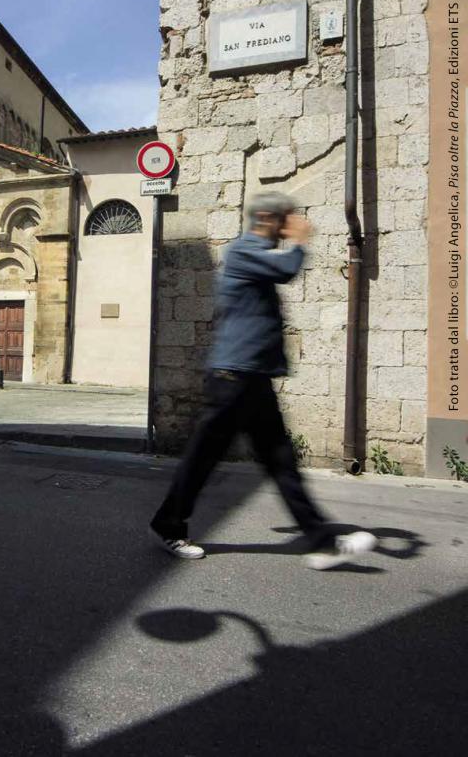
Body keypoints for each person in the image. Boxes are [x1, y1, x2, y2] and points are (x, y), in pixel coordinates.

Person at [149, 192, 377, 571]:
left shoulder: (254, 253)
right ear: (269, 219)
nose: (290, 226)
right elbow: (286, 268)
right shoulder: (242, 251)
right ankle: (170, 524)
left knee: (280, 461)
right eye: (287, 219)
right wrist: (302, 240)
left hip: (250, 379)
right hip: (233, 379)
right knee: (205, 459)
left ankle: (320, 541)